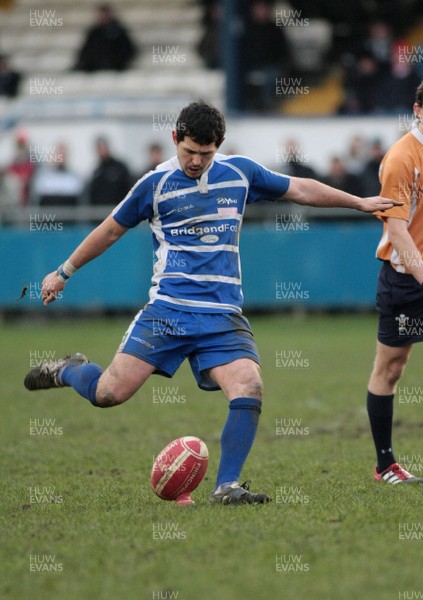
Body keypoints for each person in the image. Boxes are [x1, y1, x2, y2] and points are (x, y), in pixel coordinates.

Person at [24, 101, 400, 505]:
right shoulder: (155, 184)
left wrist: (358, 202)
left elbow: (300, 189)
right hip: (168, 311)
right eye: (189, 151)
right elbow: (111, 230)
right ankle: (70, 370)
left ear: (219, 146)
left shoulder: (240, 173)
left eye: (206, 153)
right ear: (175, 140)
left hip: (222, 315)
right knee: (108, 394)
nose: (196, 161)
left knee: (249, 385)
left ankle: (227, 486)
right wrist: (63, 272)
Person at [366, 81, 423, 484]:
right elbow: (398, 229)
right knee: (391, 367)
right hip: (406, 279)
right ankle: (385, 465)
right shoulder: (403, 157)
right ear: (418, 110)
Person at [73, 4, 136, 72]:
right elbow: (86, 51)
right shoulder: (94, 32)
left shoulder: (119, 31)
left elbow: (127, 49)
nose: (103, 17)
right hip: (95, 66)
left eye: (104, 14)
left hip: (114, 66)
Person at [88, 136, 132, 206]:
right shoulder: (97, 171)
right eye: (99, 148)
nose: (101, 151)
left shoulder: (120, 168)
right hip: (101, 212)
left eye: (103, 148)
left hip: (119, 210)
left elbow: (128, 187)